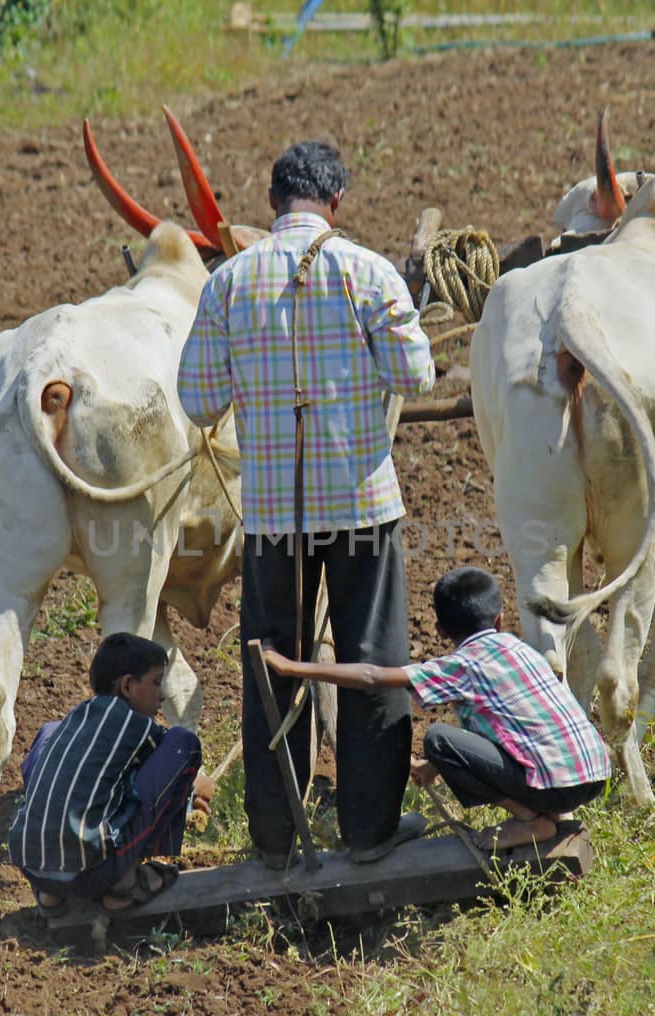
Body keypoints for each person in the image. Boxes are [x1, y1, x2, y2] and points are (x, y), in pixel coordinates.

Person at [178, 140, 436, 869]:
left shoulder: (228, 283)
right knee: (372, 665)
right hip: (361, 509)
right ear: (338, 201)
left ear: (271, 202)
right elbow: (415, 373)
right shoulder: (368, 271)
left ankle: (275, 837)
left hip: (271, 524)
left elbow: (197, 400)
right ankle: (369, 831)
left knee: (273, 667)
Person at [262, 566, 612, 852]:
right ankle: (547, 810)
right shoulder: (516, 648)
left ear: (442, 630)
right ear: (500, 619)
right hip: (594, 773)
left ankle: (531, 820)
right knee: (453, 744)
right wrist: (434, 768)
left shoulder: (463, 665)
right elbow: (505, 728)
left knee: (439, 738)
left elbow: (371, 675)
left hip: (557, 784)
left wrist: (293, 668)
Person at [6, 632, 216, 913]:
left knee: (48, 733)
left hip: (29, 864)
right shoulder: (138, 725)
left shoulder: (74, 719)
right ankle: (125, 882)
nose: (163, 694)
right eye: (155, 682)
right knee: (183, 746)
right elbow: (164, 770)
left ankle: (49, 893)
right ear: (127, 686)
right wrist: (195, 783)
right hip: (89, 875)